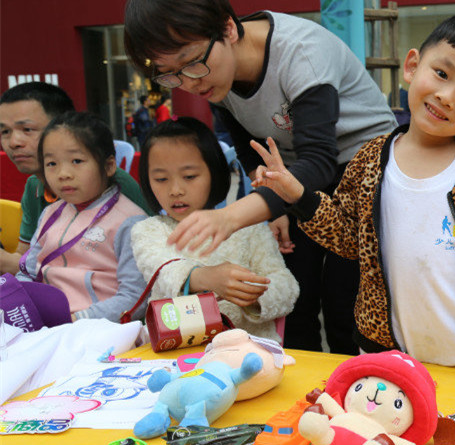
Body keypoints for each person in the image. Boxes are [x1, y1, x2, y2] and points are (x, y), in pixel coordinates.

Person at [251, 15, 455, 371]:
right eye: (441, 73)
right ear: (411, 66)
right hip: (389, 354)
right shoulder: (369, 160)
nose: (446, 96)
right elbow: (346, 237)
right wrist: (298, 195)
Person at [123, 0, 398, 353]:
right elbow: (249, 148)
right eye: (169, 73)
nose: (188, 83)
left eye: (191, 63)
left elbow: (320, 160)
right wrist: (271, 201)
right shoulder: (214, 75)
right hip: (292, 174)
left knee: (345, 298)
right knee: (299, 295)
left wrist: (232, 216)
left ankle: (356, 380)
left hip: (362, 170)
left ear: (228, 28)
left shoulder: (301, 54)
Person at [130, 117, 298, 342]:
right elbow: (163, 272)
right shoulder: (148, 230)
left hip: (247, 350)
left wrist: (252, 294)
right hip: (177, 352)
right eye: (161, 179)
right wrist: (204, 277)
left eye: (189, 176)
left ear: (214, 173)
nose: (175, 190)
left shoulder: (248, 228)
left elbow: (287, 286)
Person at [0, 82, 150, 275]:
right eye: (5, 132)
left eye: (27, 129)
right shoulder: (33, 185)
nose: (14, 142)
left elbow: (146, 267)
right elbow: (25, 258)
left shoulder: (115, 185)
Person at [17, 111, 148, 322]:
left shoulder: (130, 222)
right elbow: (28, 272)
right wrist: (18, 304)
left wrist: (77, 320)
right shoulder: (50, 213)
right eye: (52, 164)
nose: (63, 174)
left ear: (108, 166)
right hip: (47, 321)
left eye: (77, 161)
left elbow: (135, 298)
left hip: (98, 326)